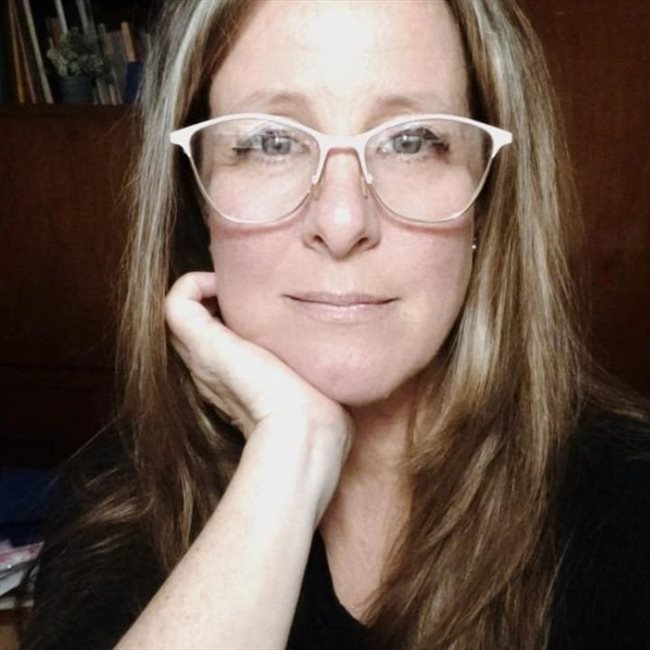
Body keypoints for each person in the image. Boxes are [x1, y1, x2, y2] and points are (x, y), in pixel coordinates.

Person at [20, 1, 650, 649]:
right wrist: (291, 451)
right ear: (195, 194)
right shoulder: (112, 506)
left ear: (488, 199)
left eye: (411, 141)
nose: (344, 222)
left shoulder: (630, 500)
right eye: (272, 141)